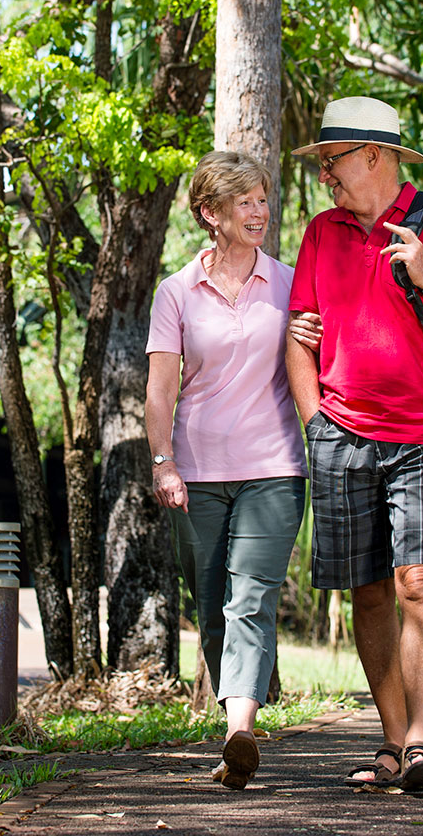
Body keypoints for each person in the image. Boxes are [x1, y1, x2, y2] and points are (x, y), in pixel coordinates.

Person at [284, 96, 423, 793]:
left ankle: (421, 742)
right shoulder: (322, 233)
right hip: (341, 437)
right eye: (322, 164)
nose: (326, 176)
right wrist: (314, 420)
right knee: (370, 593)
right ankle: (390, 742)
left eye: (334, 162)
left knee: (420, 584)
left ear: (375, 157)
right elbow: (299, 333)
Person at [146, 150, 308, 791]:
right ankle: (236, 719)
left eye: (263, 200)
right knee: (211, 605)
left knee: (252, 596)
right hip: (198, 469)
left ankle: (239, 730)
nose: (259, 212)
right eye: (244, 201)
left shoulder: (291, 282)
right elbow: (161, 390)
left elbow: (315, 350)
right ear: (209, 213)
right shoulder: (177, 291)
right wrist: (164, 464)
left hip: (274, 466)